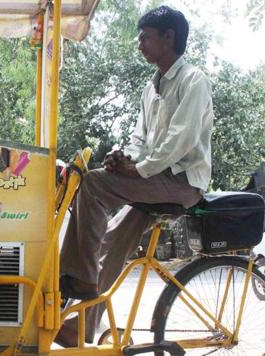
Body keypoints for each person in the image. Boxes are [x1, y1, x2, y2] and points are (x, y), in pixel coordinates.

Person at [55, 5, 214, 347]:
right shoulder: (151, 87)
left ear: (168, 37)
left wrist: (139, 169)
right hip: (156, 180)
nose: (139, 44)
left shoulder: (192, 80)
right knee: (112, 242)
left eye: (145, 37)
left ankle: (75, 277)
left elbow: (180, 139)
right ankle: (81, 326)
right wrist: (123, 157)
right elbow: (142, 139)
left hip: (183, 183)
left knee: (93, 184)